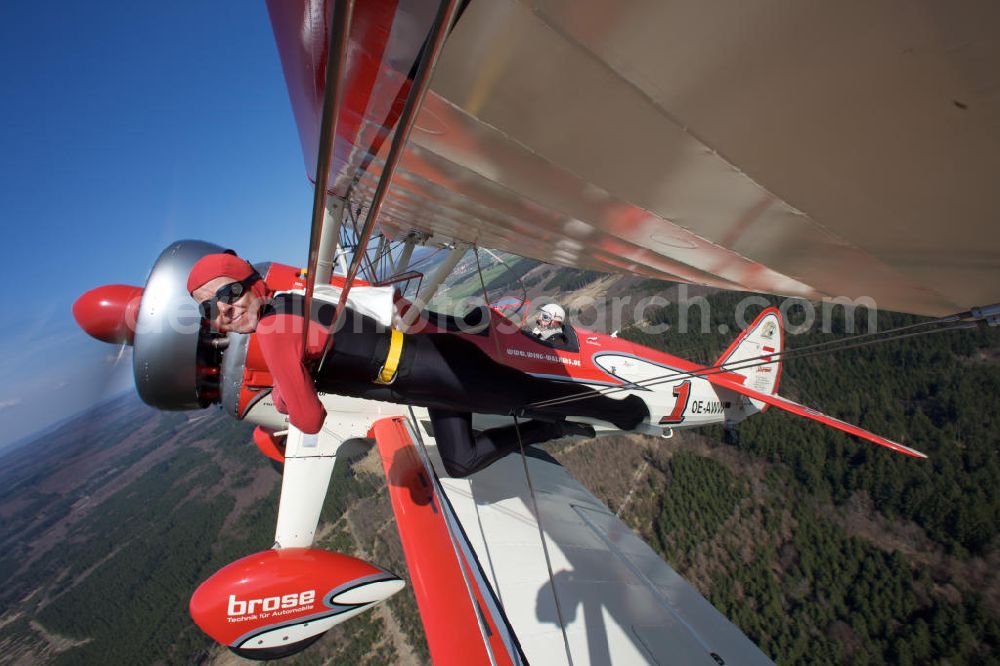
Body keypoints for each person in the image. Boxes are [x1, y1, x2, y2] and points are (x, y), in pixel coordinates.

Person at [187, 252, 648, 478]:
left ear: (251, 283)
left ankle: (626, 410)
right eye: (210, 309)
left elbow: (308, 417)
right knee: (461, 459)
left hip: (439, 371)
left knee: (539, 396)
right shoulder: (290, 300)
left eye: (228, 294)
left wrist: (287, 396)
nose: (224, 311)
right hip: (428, 378)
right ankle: (552, 429)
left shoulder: (272, 330)